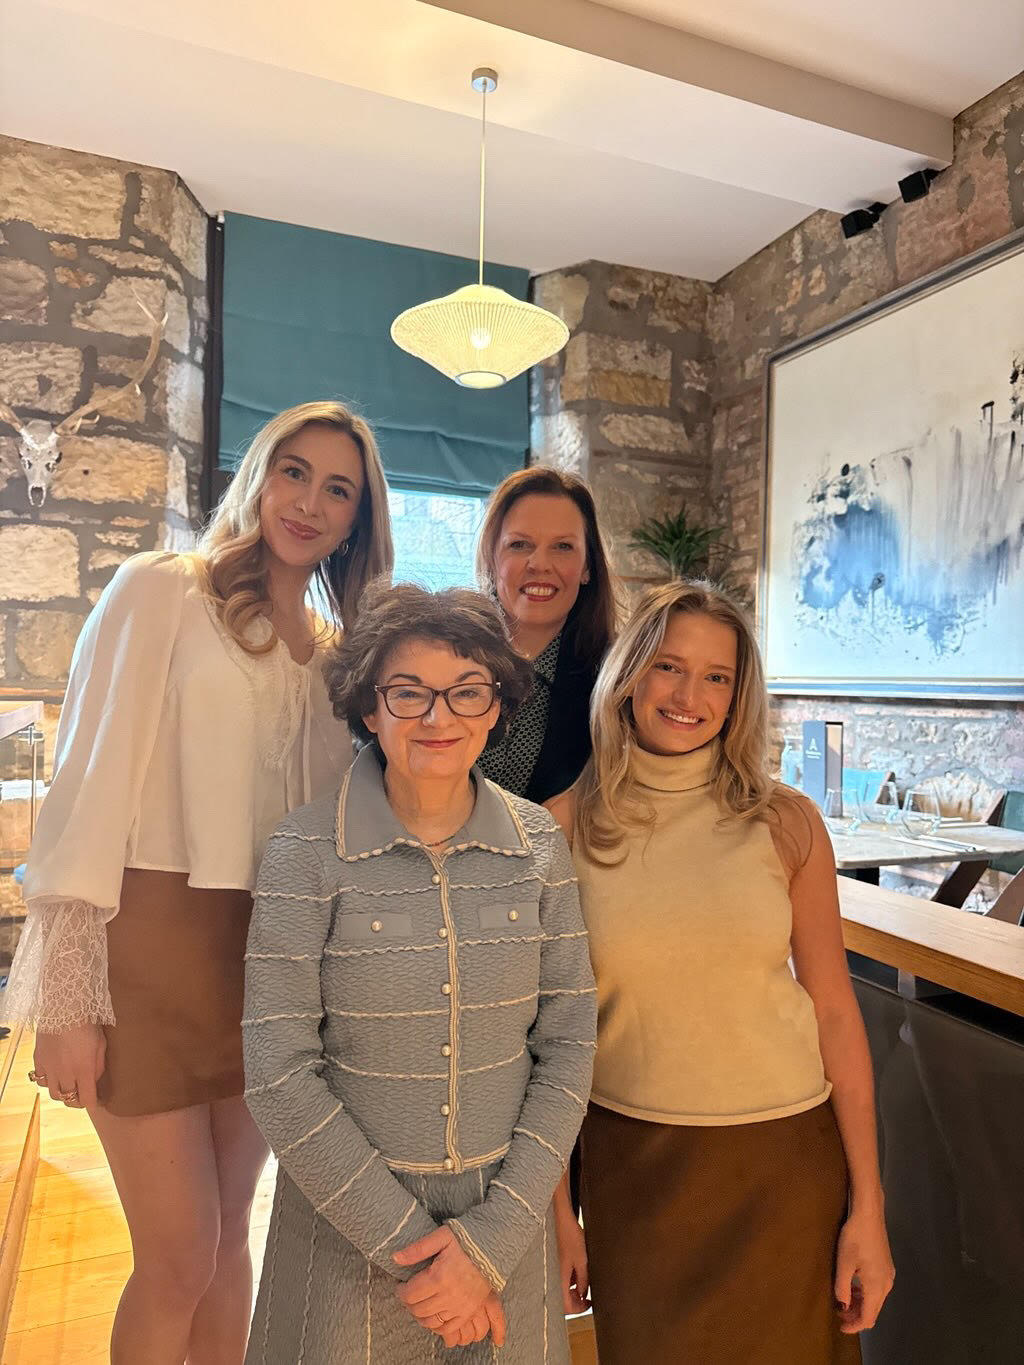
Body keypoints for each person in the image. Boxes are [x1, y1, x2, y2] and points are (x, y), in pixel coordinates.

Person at [6, 400, 393, 1365]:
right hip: (146, 950)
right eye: (293, 471)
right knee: (177, 1255)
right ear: (258, 472)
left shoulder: (338, 653)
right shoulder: (162, 590)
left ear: (358, 520)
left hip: (265, 970)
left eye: (338, 489)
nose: (308, 502)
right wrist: (66, 994)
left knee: (225, 1248)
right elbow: (87, 785)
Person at [242, 581, 597, 1363]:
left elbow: (569, 1043)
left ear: (497, 706)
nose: (439, 717)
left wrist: (489, 1243)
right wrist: (427, 1260)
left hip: (505, 1235)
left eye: (467, 691)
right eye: (409, 692)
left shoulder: (539, 846)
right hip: (346, 1241)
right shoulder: (304, 853)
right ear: (370, 707)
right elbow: (277, 1072)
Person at [549, 579, 895, 1365]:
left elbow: (834, 1013)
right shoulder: (561, 828)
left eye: (717, 676)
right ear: (629, 674)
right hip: (637, 1171)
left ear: (739, 697)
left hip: (786, 1169)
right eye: (669, 666)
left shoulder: (787, 822)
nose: (689, 696)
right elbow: (543, 1040)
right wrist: (556, 1209)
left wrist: (869, 1207)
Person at [474, 466, 616, 803]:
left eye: (563, 546)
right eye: (519, 544)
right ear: (492, 559)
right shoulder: (440, 658)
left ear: (587, 567)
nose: (539, 564)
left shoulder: (616, 683)